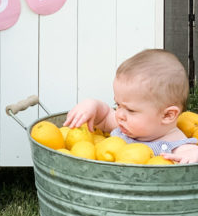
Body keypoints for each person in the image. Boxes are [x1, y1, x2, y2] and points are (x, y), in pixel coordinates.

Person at [65, 48, 198, 163]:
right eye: (118, 104)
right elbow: (104, 117)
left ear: (167, 115)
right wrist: (92, 105)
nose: (119, 115)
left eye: (130, 110)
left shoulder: (177, 147)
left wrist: (193, 156)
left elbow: (191, 154)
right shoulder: (125, 127)